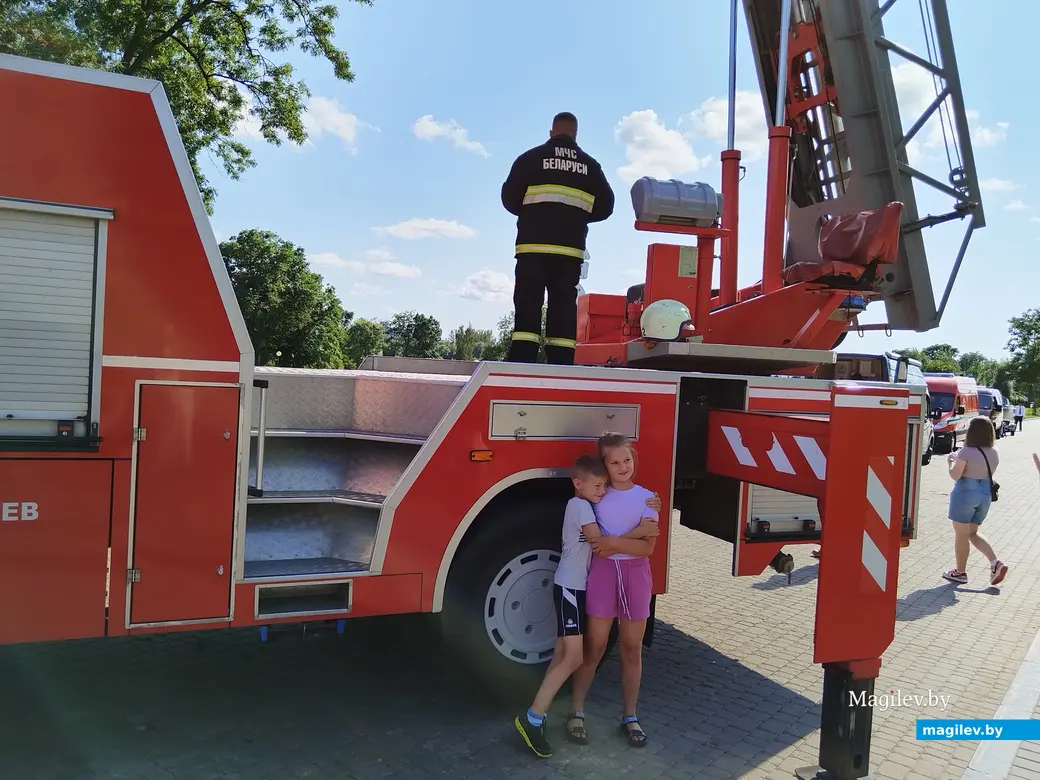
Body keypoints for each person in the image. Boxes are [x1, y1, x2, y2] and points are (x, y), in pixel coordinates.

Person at [514, 454, 661, 759]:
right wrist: (640, 531)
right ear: (578, 484)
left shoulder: (588, 504)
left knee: (561, 656)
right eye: (597, 485)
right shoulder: (579, 506)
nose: (602, 491)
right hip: (569, 587)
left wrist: (650, 507)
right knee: (574, 657)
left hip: (577, 588)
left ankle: (538, 714)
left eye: (604, 486)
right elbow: (600, 545)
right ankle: (531, 718)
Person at [567, 433, 659, 749]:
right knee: (595, 645)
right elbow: (601, 550)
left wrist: (615, 541)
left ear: (634, 461)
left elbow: (647, 548)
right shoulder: (597, 497)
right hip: (604, 575)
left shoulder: (648, 498)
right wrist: (627, 541)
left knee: (631, 648)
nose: (622, 467)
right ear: (605, 466)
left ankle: (630, 716)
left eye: (627, 460)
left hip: (636, 578)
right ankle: (576, 710)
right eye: (615, 462)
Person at [500, 111, 615, 365]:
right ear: (575, 135)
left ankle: (522, 358)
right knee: (563, 305)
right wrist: (577, 216)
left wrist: (533, 213)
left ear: (552, 132)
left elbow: (509, 198)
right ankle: (561, 360)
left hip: (533, 247)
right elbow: (607, 206)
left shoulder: (530, 159)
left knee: (528, 300)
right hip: (569, 251)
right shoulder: (590, 166)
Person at [942, 416, 1008, 586]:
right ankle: (995, 563)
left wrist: (951, 461)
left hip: (965, 493)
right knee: (973, 532)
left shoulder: (965, 452)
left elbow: (955, 475)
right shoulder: (994, 451)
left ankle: (960, 572)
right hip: (985, 494)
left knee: (961, 534)